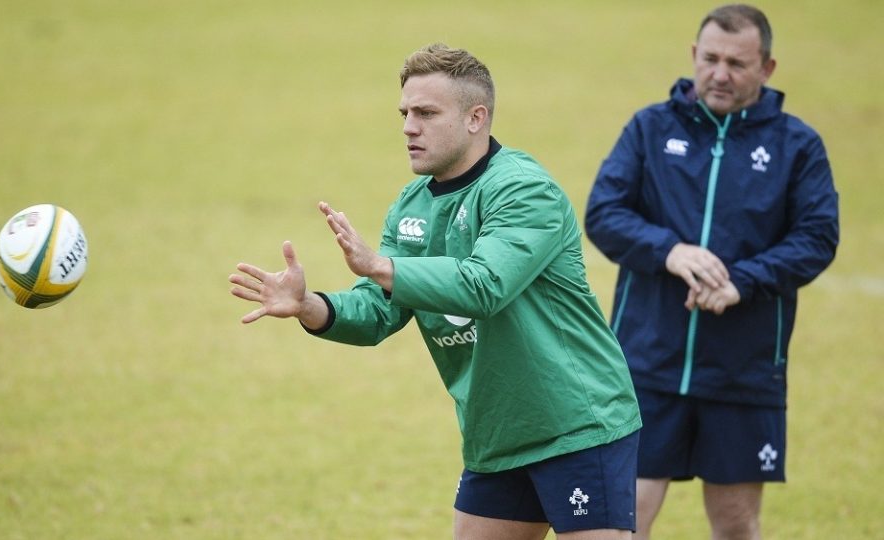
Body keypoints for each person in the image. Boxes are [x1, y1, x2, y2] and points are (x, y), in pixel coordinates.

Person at [230, 43, 641, 540]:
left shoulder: (524, 190)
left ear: (476, 118)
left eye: (426, 113)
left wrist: (381, 266)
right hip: (496, 432)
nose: (408, 127)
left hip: (576, 425)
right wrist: (310, 306)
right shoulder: (411, 206)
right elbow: (380, 309)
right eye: (404, 113)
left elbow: (484, 286)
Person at [584, 5, 839, 540]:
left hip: (743, 370)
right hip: (647, 362)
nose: (720, 74)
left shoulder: (798, 146)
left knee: (736, 524)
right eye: (710, 58)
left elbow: (817, 238)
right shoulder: (650, 129)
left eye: (737, 63)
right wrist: (668, 251)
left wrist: (742, 282)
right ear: (693, 56)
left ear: (767, 69)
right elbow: (604, 213)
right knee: (622, 519)